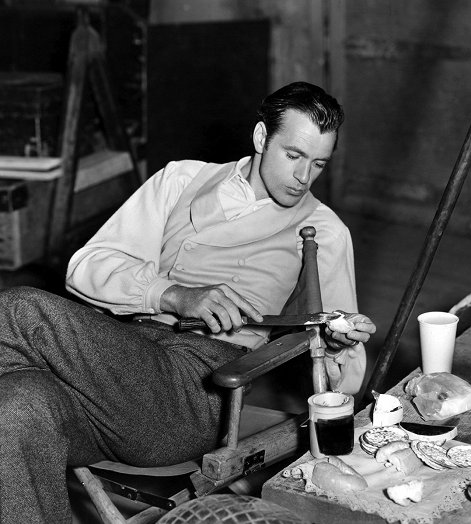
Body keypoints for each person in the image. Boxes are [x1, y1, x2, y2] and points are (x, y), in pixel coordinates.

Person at [0, 81, 376, 523]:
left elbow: (345, 379)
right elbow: (88, 266)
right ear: (261, 138)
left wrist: (337, 343)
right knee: (16, 405)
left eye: (317, 164)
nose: (303, 177)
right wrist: (174, 295)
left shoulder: (323, 229)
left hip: (196, 388)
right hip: (113, 366)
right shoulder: (181, 179)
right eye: (293, 156)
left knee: (20, 308)